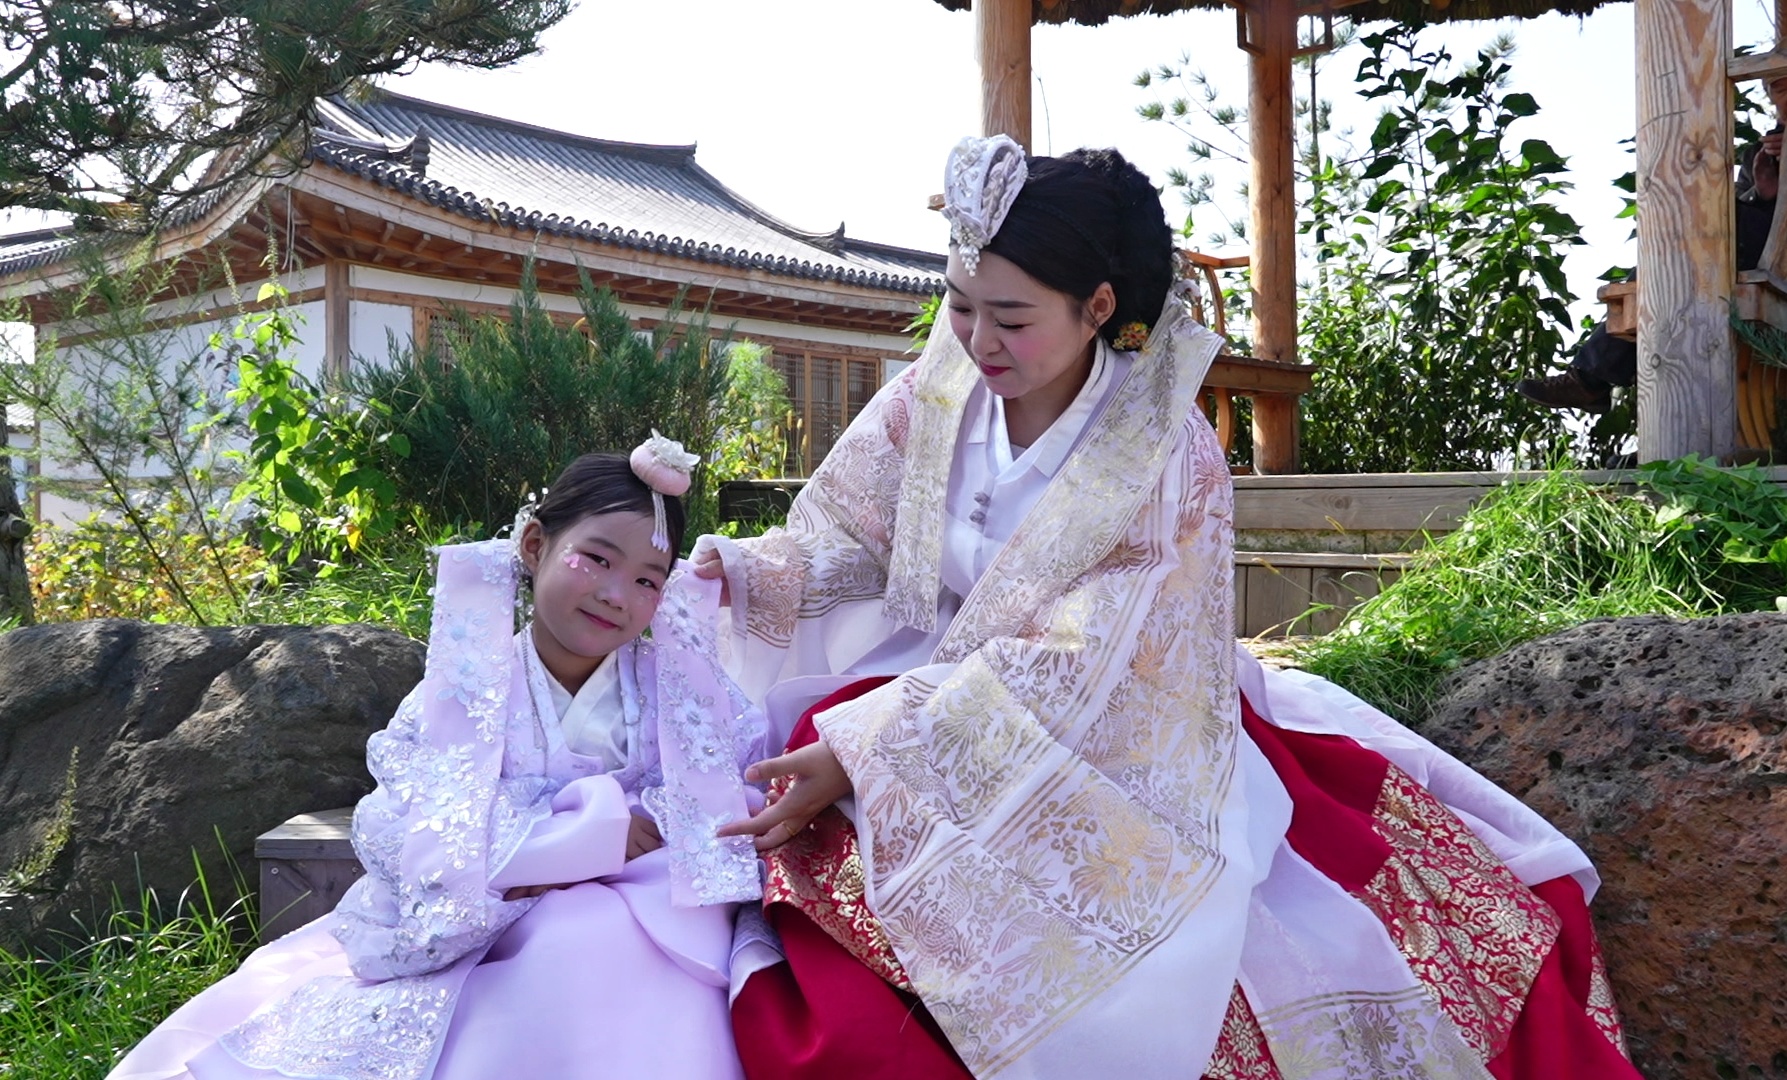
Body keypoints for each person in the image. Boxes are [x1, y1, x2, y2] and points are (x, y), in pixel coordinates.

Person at [695, 136, 1641, 1079]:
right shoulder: (930, 395)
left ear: (1098, 307)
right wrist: (741, 575)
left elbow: (1094, 657)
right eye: (960, 305)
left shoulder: (1163, 449)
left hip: (1116, 730)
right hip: (923, 693)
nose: (977, 341)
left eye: (1012, 318)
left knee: (1185, 965)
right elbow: (848, 533)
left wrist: (870, 749)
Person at [108, 442, 764, 1080]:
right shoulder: (463, 689)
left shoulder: (678, 689)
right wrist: (565, 845)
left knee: (593, 937)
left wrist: (640, 830)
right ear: (535, 545)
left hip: (642, 918)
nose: (617, 595)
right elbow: (398, 821)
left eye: (647, 580)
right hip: (487, 919)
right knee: (567, 942)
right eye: (596, 558)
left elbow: (734, 789)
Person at [1519, 75, 1787, 414]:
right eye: (1779, 87)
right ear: (1770, 97)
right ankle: (1596, 383)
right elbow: (1743, 218)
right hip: (1751, 265)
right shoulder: (1759, 155)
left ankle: (1590, 381)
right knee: (1673, 265)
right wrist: (1763, 192)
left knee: (1703, 233)